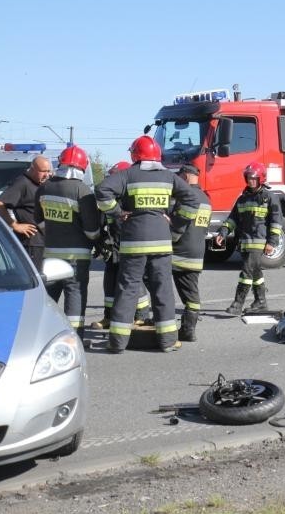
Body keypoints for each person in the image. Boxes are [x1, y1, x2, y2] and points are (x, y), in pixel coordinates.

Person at [95, 136, 198, 353]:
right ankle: (168, 341)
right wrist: (176, 223)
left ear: (135, 154)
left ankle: (117, 343)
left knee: (127, 290)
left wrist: (117, 213)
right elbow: (192, 200)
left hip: (133, 243)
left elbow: (102, 191)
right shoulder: (168, 177)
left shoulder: (127, 175)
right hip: (161, 242)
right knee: (162, 290)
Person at [34, 146, 101, 340]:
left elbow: (39, 220)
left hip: (51, 253)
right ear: (82, 166)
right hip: (77, 257)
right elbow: (91, 230)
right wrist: (96, 240)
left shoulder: (44, 188)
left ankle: (44, 335)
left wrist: (54, 233)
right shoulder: (82, 190)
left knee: (49, 298)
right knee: (75, 295)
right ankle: (74, 338)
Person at [89, 161, 152, 330]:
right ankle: (109, 316)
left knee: (135, 281)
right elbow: (102, 223)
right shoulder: (109, 200)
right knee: (110, 281)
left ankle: (141, 317)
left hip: (131, 247)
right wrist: (101, 242)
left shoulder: (132, 199)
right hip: (113, 247)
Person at [215, 162, 282, 315]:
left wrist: (272, 242)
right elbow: (233, 219)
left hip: (259, 242)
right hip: (245, 242)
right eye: (248, 177)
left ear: (261, 178)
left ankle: (237, 304)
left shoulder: (269, 198)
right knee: (255, 272)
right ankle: (261, 302)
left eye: (254, 178)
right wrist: (223, 232)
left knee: (246, 272)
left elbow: (276, 222)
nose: (250, 180)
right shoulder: (242, 199)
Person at [170, 164, 211, 341]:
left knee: (184, 292)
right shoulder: (206, 199)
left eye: (179, 177)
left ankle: (186, 329)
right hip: (197, 252)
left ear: (186, 176)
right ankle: (188, 328)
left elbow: (177, 224)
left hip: (179, 253)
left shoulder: (185, 197)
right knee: (190, 291)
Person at [0, 155, 52, 270]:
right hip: (31, 244)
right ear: (33, 169)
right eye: (43, 171)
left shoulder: (39, 183)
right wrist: (15, 225)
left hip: (42, 242)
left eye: (48, 171)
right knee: (35, 280)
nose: (47, 175)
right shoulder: (23, 183)